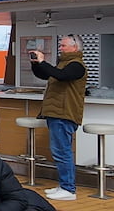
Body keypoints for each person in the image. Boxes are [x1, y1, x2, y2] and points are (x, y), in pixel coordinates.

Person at [29, 35, 87, 201]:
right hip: (57, 114)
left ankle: (68, 188)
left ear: (74, 48)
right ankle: (63, 185)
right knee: (59, 151)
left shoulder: (76, 66)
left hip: (64, 114)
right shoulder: (64, 64)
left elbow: (60, 75)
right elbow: (46, 74)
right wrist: (36, 64)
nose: (60, 48)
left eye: (63, 45)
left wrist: (43, 62)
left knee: (63, 152)